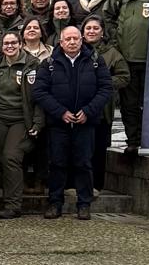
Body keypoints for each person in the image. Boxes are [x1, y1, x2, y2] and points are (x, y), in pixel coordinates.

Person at [32, 24, 113, 220]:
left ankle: (84, 204)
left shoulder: (95, 61)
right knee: (57, 163)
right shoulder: (49, 63)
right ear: (61, 42)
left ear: (81, 39)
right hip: (59, 123)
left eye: (75, 38)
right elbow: (39, 91)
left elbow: (105, 89)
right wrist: (60, 112)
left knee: (84, 163)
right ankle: (55, 203)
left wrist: (88, 111)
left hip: (86, 122)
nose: (71, 42)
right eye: (67, 39)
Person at [0, 29, 40, 219]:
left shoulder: (32, 65)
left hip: (20, 119)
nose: (9, 46)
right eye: (6, 44)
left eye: (13, 43)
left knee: (11, 157)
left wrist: (38, 122)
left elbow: (39, 97)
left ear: (20, 44)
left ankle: (13, 204)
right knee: (1, 159)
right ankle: (7, 197)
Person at [104, 0, 149, 157]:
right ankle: (133, 140)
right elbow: (107, 17)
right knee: (129, 103)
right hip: (126, 58)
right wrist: (117, 41)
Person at [81, 15, 130, 189]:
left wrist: (104, 83)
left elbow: (124, 77)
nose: (91, 31)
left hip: (102, 110)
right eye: (88, 28)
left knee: (98, 150)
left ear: (102, 32)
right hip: (77, 109)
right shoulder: (75, 49)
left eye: (95, 28)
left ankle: (96, 186)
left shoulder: (112, 53)